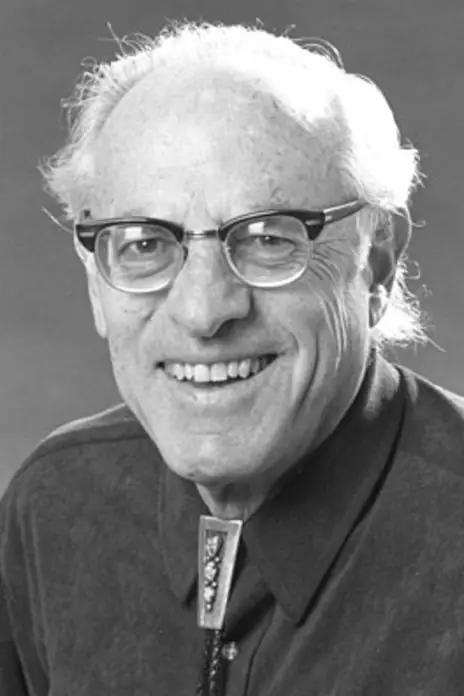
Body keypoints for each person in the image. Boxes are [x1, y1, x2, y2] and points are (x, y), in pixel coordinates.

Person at [1, 21, 464, 696]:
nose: (203, 310)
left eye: (269, 239)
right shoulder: (57, 503)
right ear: (96, 282)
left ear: (377, 264)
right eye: (144, 244)